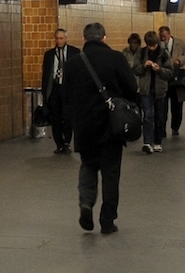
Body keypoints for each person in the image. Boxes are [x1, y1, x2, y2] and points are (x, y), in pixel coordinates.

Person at [60, 22, 140, 233]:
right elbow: (132, 89)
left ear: (84, 39)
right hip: (111, 126)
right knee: (111, 173)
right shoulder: (116, 58)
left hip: (84, 127)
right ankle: (107, 219)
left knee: (88, 166)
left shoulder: (72, 64)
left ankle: (86, 204)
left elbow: (65, 97)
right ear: (104, 38)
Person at [39, 28, 75, 154]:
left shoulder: (74, 52)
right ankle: (59, 143)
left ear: (65, 38)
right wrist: (45, 94)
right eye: (57, 38)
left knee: (67, 116)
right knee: (56, 117)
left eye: (61, 38)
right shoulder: (49, 55)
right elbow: (46, 75)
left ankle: (67, 141)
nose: (59, 41)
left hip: (68, 89)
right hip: (55, 88)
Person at [138, 30, 171, 153]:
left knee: (159, 116)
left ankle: (157, 141)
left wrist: (160, 69)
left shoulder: (164, 54)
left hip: (160, 89)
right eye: (149, 46)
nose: (151, 48)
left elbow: (170, 71)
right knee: (147, 115)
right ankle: (147, 142)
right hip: (146, 89)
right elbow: (135, 69)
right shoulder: (141, 53)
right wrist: (143, 66)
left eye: (153, 45)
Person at [154, 24, 185, 136]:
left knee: (177, 105)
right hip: (164, 78)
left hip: (176, 77)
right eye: (161, 36)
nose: (162, 38)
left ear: (169, 34)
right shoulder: (158, 45)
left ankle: (175, 127)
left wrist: (179, 60)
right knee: (162, 106)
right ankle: (162, 128)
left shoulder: (180, 43)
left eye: (164, 36)